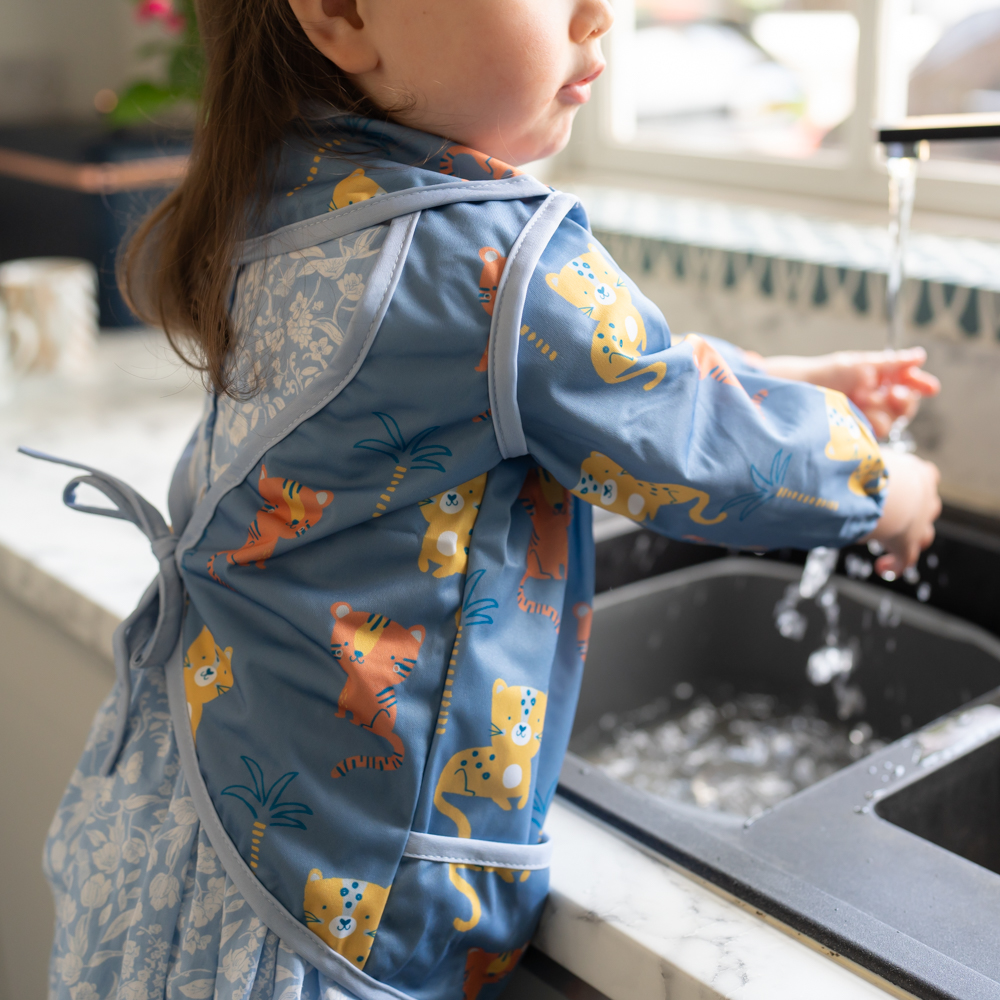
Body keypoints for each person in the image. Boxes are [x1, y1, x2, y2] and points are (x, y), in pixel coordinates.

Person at [41, 0, 941, 998]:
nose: (600, 14)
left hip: (206, 815)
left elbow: (571, 381)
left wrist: (775, 378)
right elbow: (681, 446)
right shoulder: (492, 248)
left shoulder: (302, 184)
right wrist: (881, 483)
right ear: (341, 12)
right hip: (344, 901)